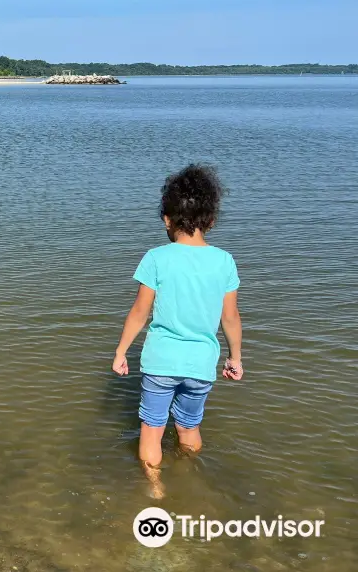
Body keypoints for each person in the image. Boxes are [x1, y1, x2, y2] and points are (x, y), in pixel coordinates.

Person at [112, 164, 243, 499]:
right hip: (201, 365)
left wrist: (121, 351)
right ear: (211, 220)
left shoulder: (157, 258)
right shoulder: (224, 261)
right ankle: (191, 476)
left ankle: (156, 488)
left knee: (152, 430)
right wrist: (235, 358)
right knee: (189, 427)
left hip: (161, 361)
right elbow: (230, 318)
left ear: (166, 219)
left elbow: (140, 312)